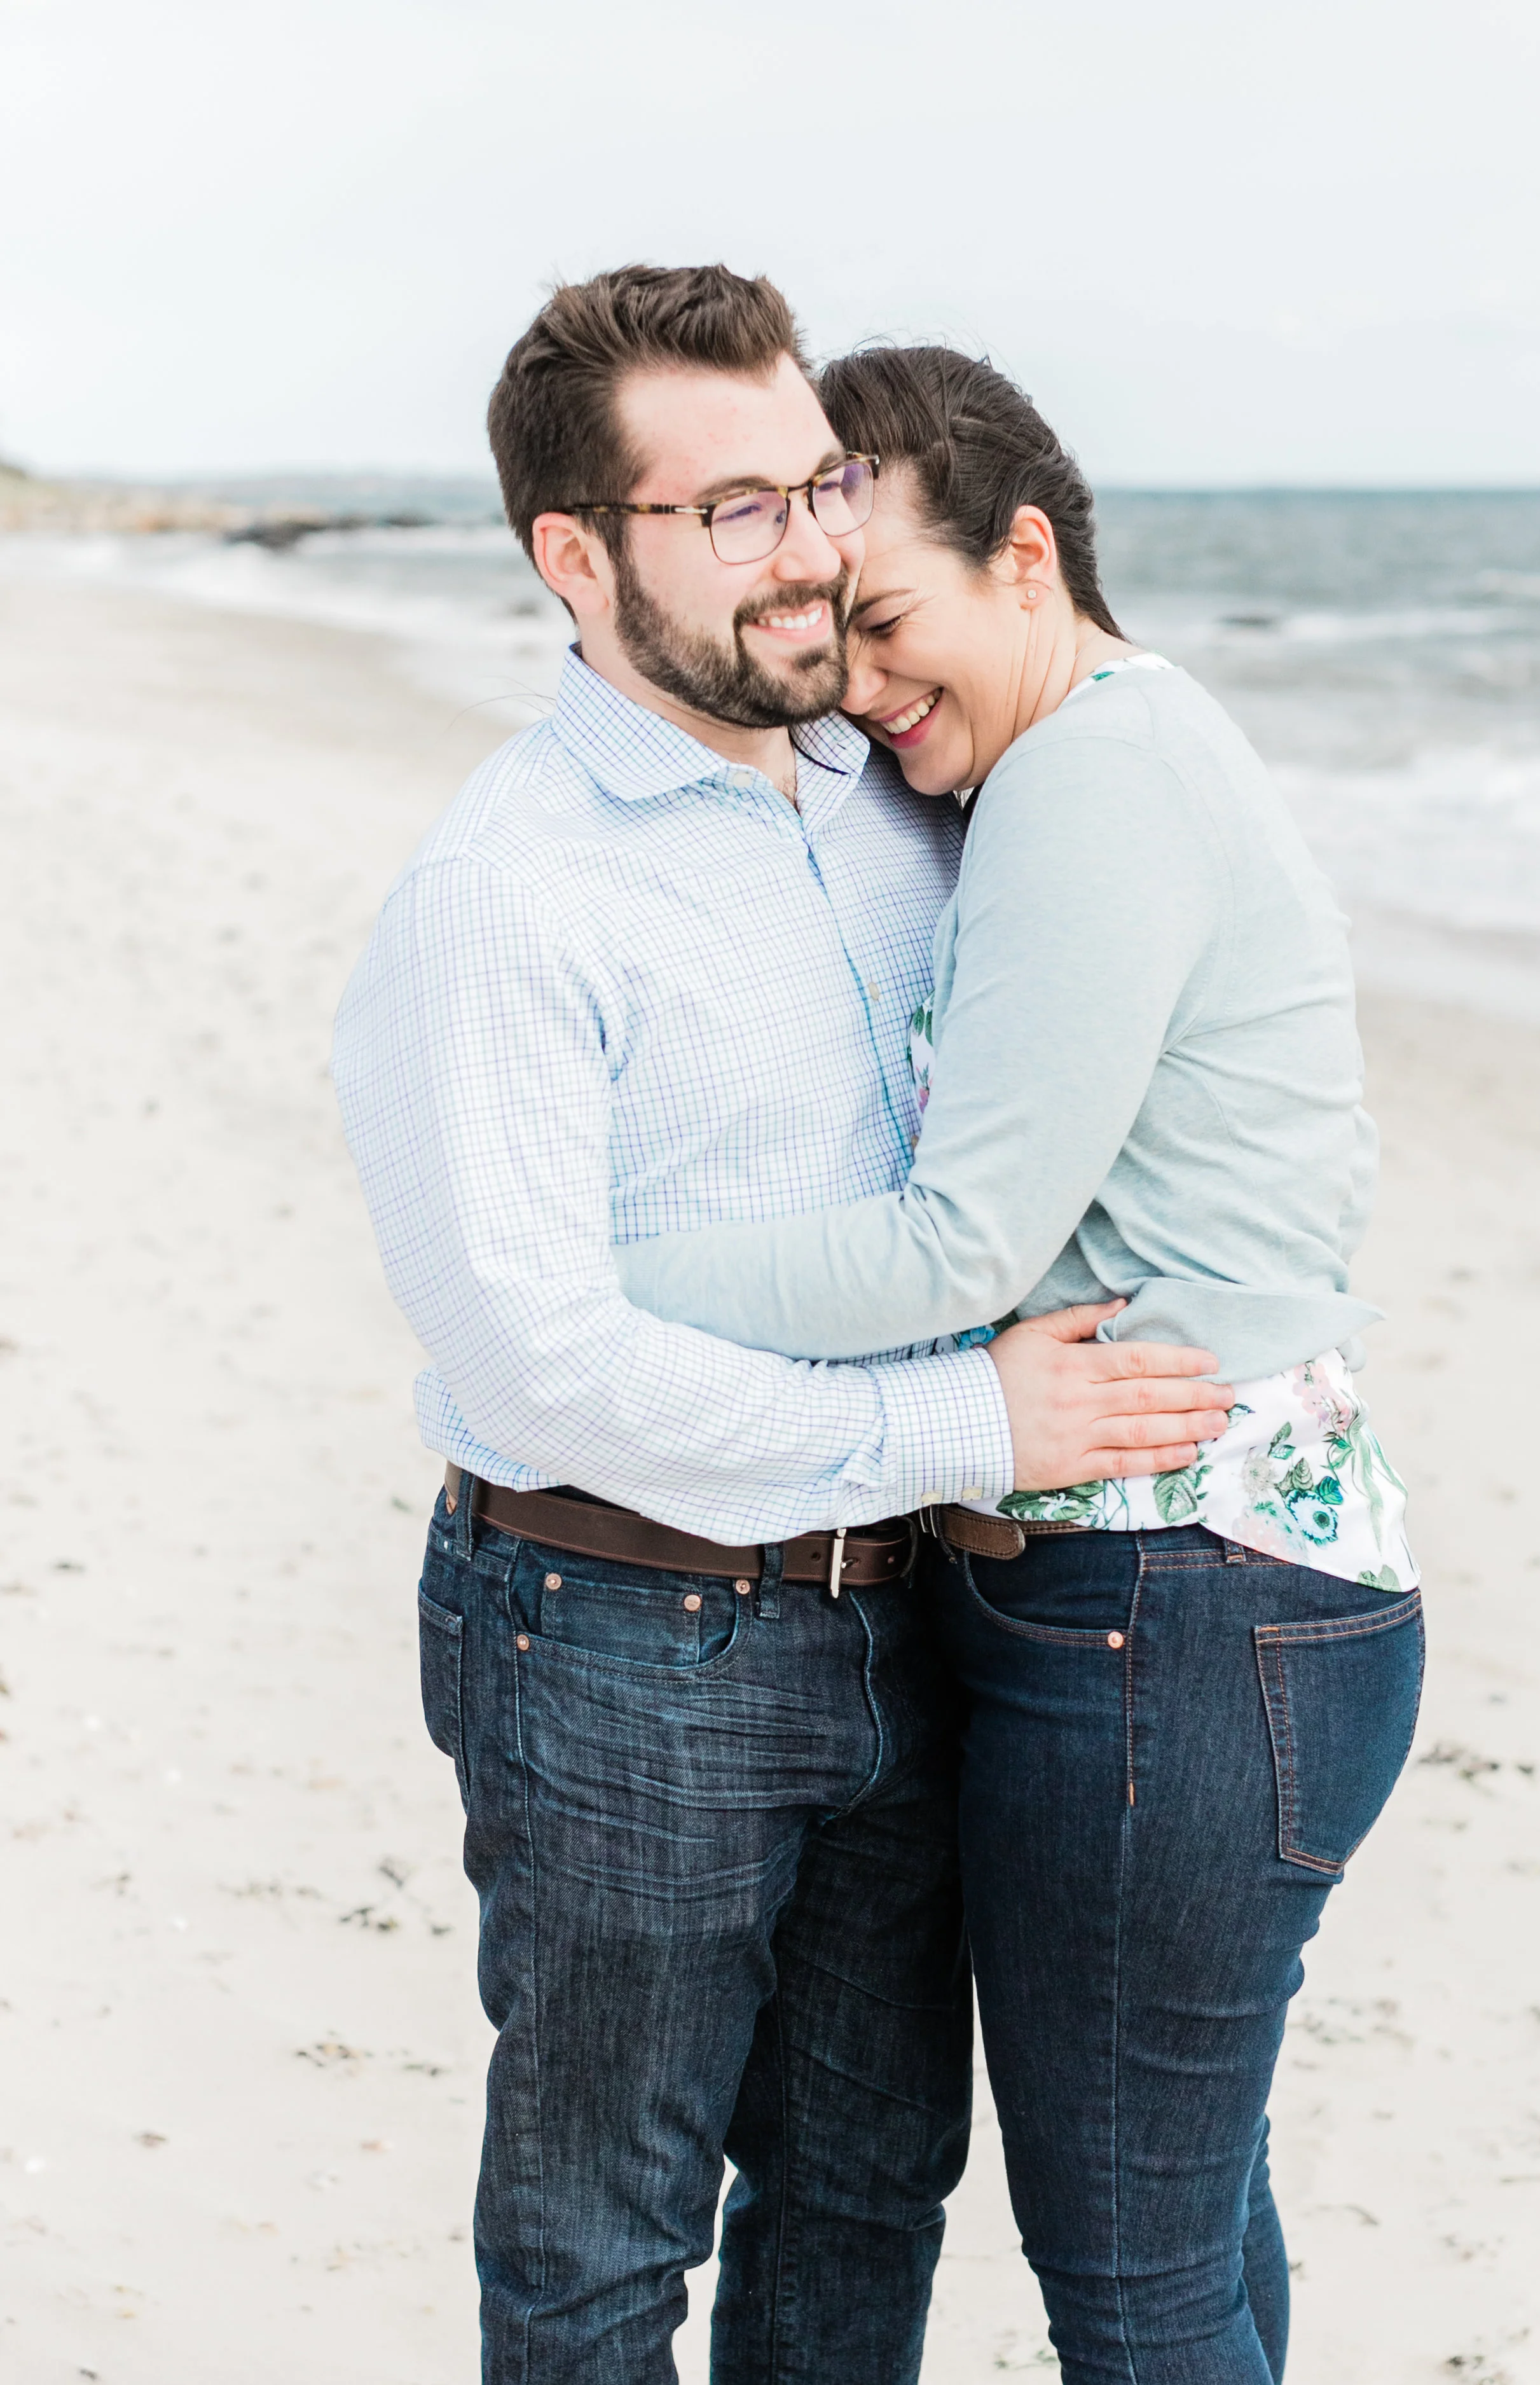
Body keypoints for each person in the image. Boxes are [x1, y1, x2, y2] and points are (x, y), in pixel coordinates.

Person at [331, 267, 1233, 2385]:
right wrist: (965, 1424)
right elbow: (545, 1359)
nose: (815, 544)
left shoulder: (896, 788)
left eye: (817, 480)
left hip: (904, 1621)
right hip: (618, 1627)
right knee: (598, 2243)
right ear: (575, 556)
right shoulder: (505, 896)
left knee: (862, 2185)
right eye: (731, 509)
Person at [616, 346, 1424, 2384]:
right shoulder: (1111, 755)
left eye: (884, 622)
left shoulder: (1091, 780)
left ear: (1028, 553)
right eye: (826, 640)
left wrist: (604, 1272)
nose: (867, 693)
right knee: (1191, 2223)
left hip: (1171, 1604)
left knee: (1141, 2279)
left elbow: (950, 1242)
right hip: (1212, 1597)